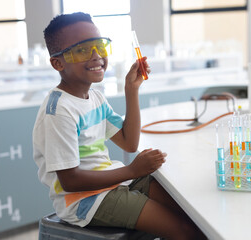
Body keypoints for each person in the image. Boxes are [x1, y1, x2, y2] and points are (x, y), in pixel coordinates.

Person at [33, 12, 206, 240]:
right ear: (57, 62)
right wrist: (133, 170)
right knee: (184, 231)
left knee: (192, 214)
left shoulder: (95, 98)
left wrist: (131, 89)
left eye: (99, 46)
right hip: (85, 200)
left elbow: (129, 142)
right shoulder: (58, 111)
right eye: (83, 50)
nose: (96, 56)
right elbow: (70, 181)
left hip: (114, 181)